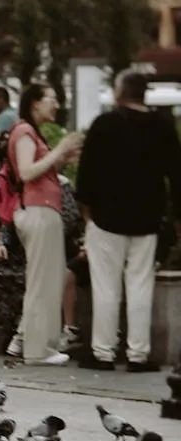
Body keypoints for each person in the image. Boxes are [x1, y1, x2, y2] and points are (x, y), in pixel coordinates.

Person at [76, 69, 181, 372]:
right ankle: (138, 355)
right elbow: (176, 175)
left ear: (121, 93)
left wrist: (88, 215)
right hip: (147, 219)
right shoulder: (162, 126)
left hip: (107, 218)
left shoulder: (105, 124)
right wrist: (173, 217)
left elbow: (86, 176)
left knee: (106, 286)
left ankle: (103, 352)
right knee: (140, 285)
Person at [6, 83, 84, 366]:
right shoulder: (25, 131)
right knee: (43, 282)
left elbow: (42, 172)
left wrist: (60, 157)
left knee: (44, 279)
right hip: (39, 210)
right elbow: (27, 172)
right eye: (51, 99)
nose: (56, 105)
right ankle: (40, 350)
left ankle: (28, 340)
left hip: (41, 209)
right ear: (35, 103)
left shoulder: (28, 132)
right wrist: (59, 150)